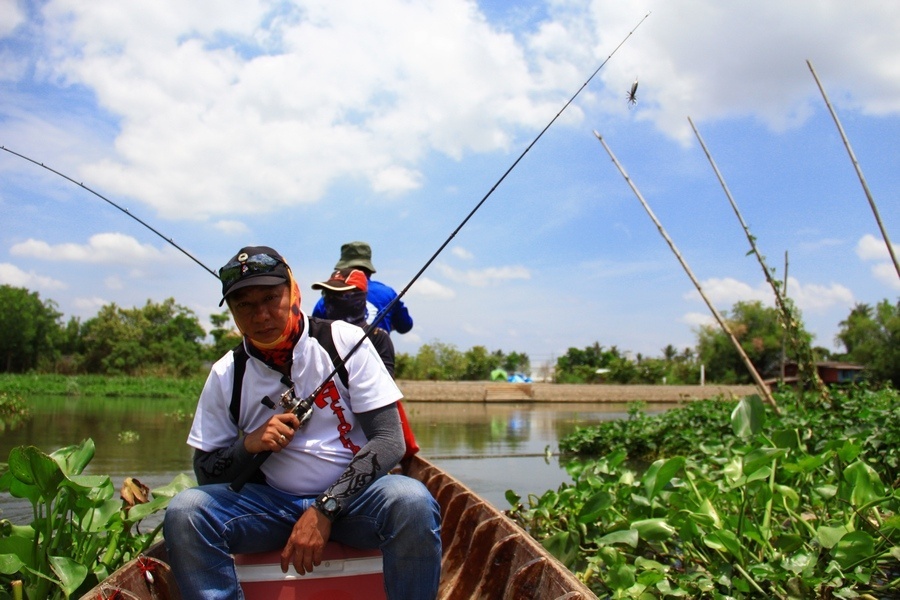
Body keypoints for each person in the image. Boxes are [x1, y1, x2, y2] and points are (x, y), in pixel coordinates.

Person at [163, 246, 441, 600]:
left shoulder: (344, 341)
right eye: (244, 305)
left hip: (357, 504)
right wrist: (249, 444)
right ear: (232, 312)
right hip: (270, 507)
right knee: (186, 511)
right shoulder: (226, 373)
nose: (261, 315)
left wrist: (325, 509)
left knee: (412, 500)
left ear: (292, 293)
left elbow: (389, 440)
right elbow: (206, 471)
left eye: (270, 298)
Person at [312, 241, 413, 335]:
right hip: (381, 352)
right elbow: (405, 326)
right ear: (368, 267)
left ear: (342, 269)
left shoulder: (326, 299)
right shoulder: (388, 294)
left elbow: (314, 332)